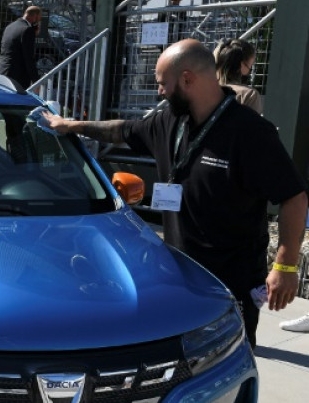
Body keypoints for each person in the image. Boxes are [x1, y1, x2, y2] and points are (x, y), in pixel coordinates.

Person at [40, 39, 308, 348]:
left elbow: (294, 197)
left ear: (187, 79)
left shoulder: (250, 133)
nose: (160, 91)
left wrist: (285, 267)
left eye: (162, 83)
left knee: (228, 361)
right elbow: (121, 130)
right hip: (179, 275)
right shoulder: (169, 121)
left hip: (230, 284)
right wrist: (70, 126)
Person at [0, 6, 41, 89]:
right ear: (35, 17)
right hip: (17, 77)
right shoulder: (27, 30)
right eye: (39, 19)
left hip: (2, 71)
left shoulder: (9, 27)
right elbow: (29, 58)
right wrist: (36, 80)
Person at [214, 38, 262, 114]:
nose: (250, 71)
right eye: (250, 66)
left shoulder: (206, 89)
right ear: (242, 65)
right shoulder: (249, 95)